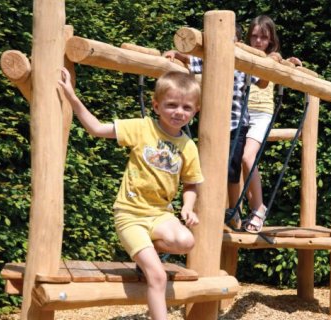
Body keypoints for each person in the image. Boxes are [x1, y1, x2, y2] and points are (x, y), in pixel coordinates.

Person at [58, 68, 204, 320]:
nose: (179, 112)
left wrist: (188, 207)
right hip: (130, 215)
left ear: (195, 111)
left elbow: (191, 184)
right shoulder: (141, 128)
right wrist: (71, 95)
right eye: (171, 105)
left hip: (160, 215)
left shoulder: (188, 146)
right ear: (156, 106)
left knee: (187, 241)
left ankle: (149, 250)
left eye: (186, 107)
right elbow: (96, 129)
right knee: (157, 276)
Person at [163, 23, 266, 230]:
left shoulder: (242, 64)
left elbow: (262, 80)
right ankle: (212, 209)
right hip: (215, 123)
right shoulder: (210, 61)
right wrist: (175, 53)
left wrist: (268, 62)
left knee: (232, 169)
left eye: (232, 40)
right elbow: (191, 60)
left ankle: (235, 209)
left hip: (238, 123)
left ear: (238, 43)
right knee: (209, 166)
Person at [242, 15, 302, 233]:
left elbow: (280, 68)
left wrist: (291, 63)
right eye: (254, 36)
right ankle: (236, 209)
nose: (258, 41)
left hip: (261, 114)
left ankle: (258, 208)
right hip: (240, 112)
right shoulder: (242, 55)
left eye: (263, 37)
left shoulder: (273, 58)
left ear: (270, 40)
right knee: (232, 162)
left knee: (248, 157)